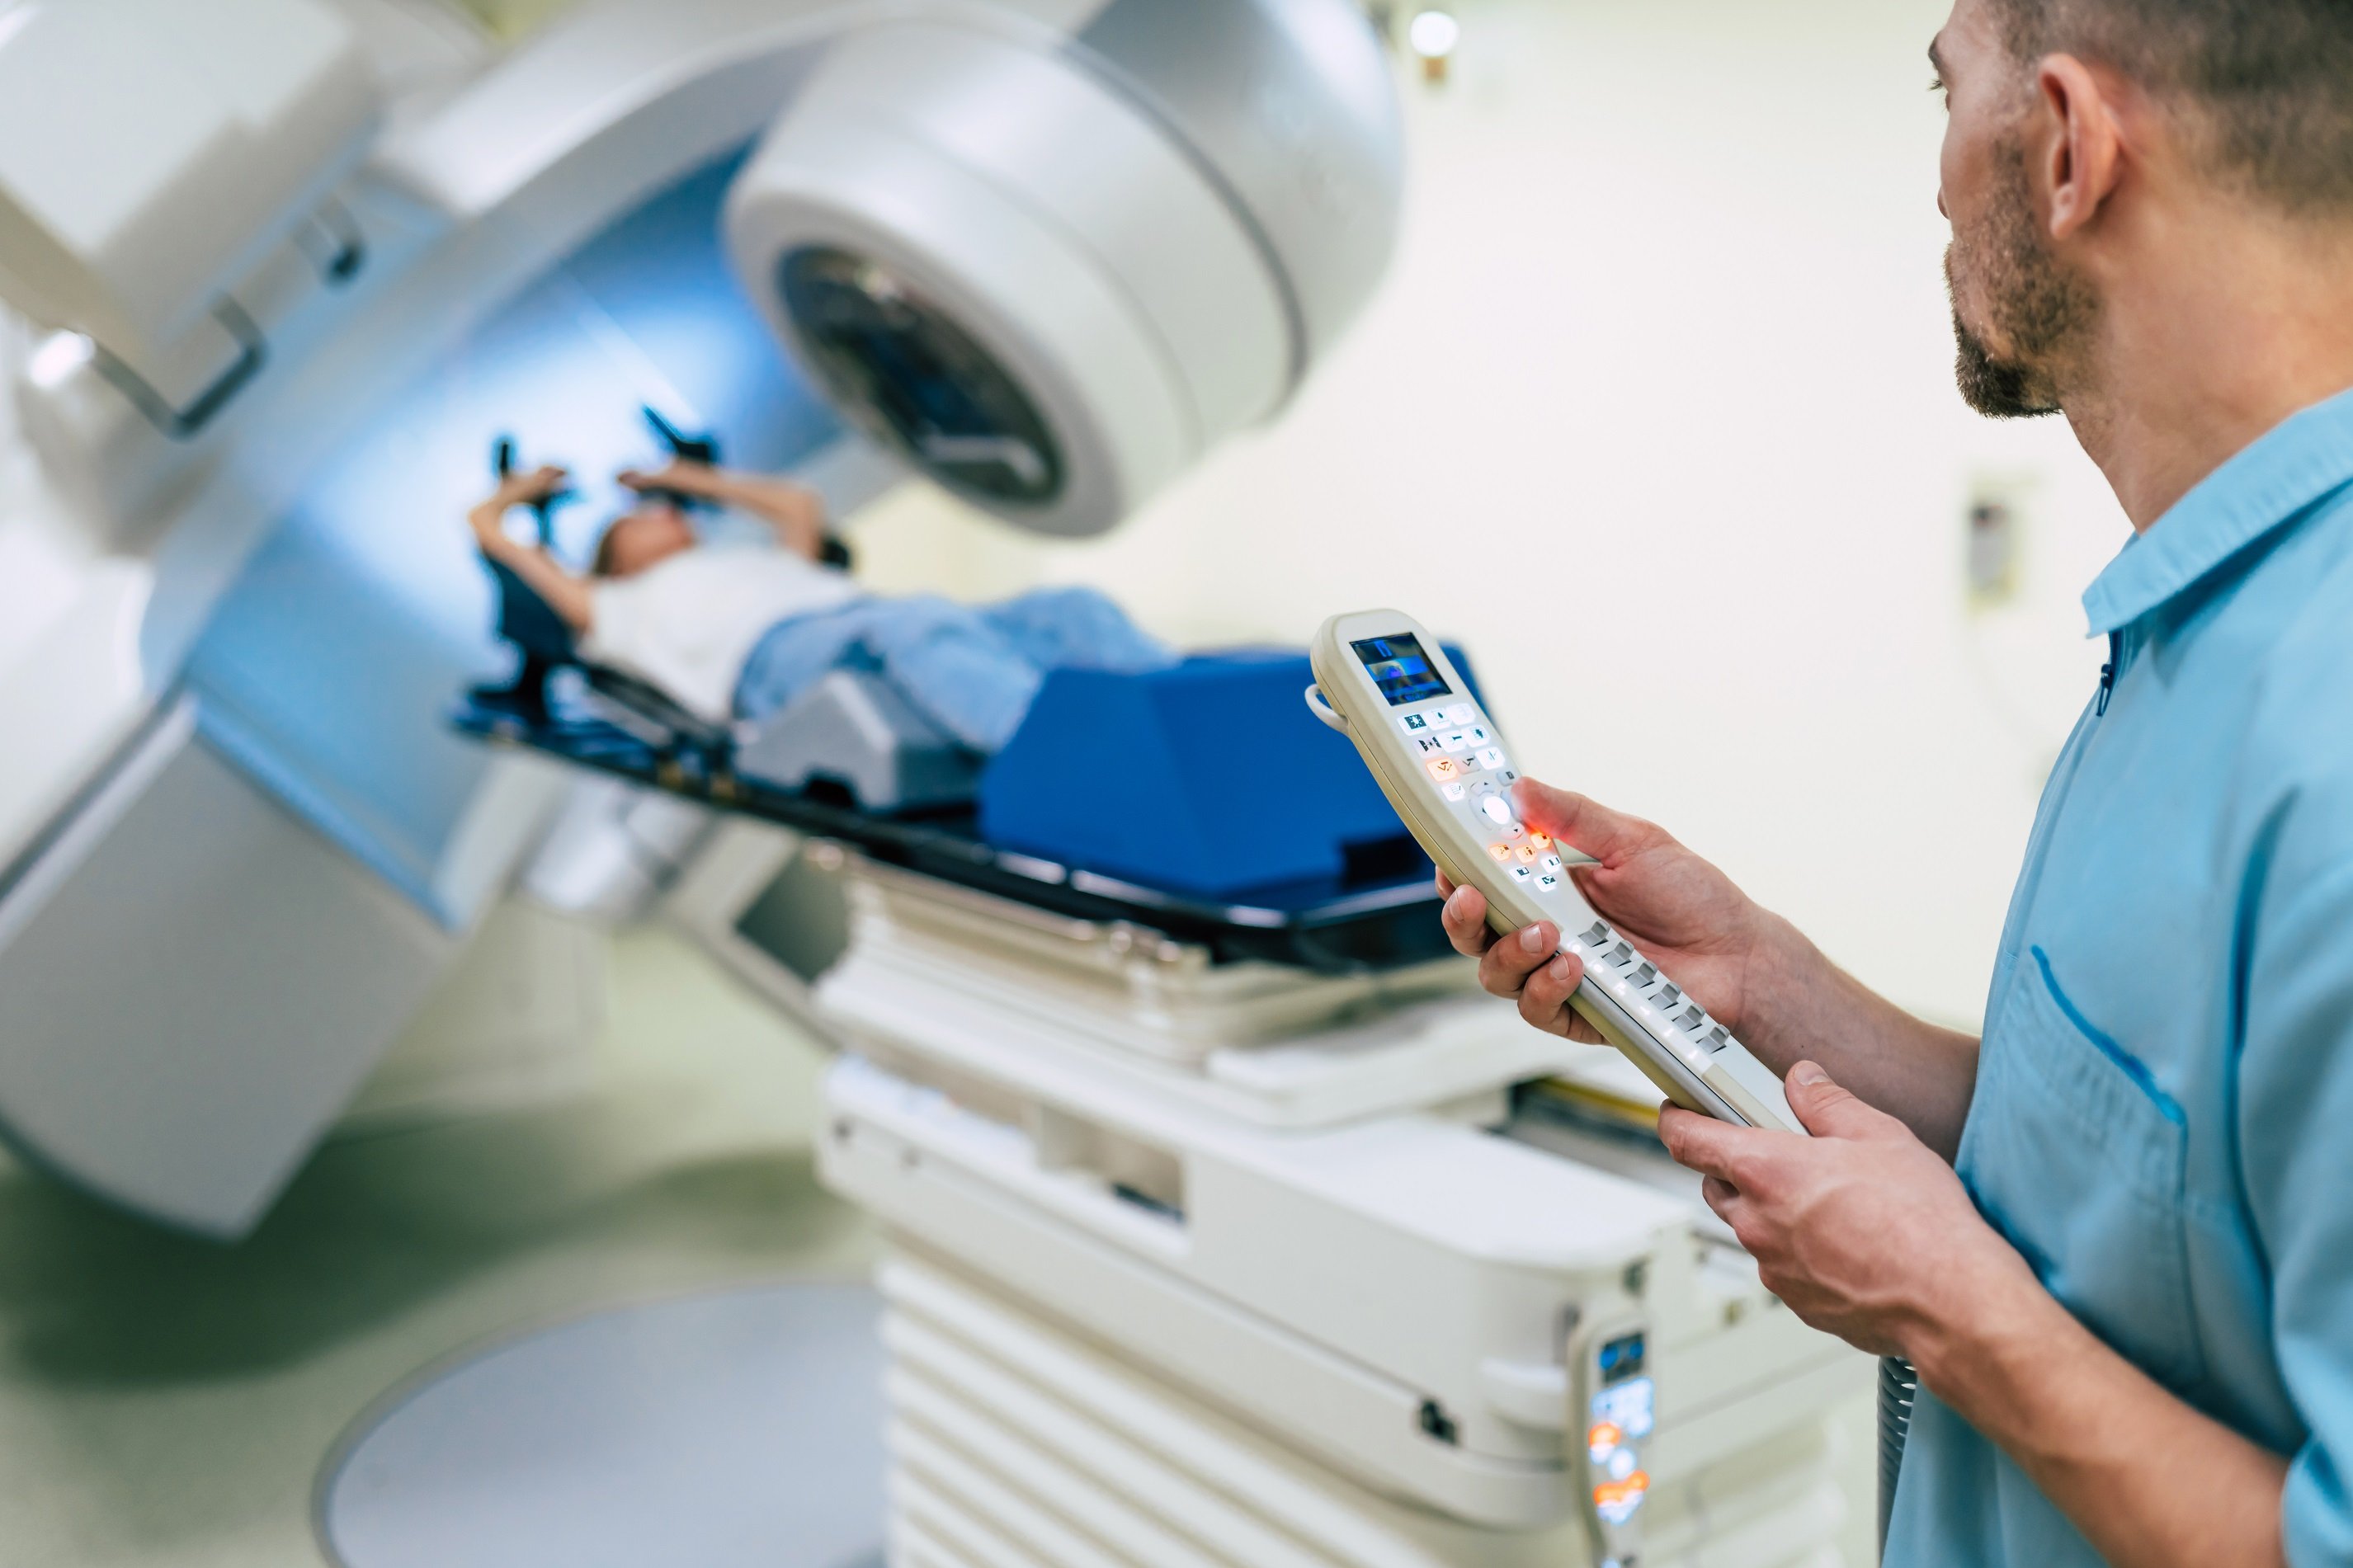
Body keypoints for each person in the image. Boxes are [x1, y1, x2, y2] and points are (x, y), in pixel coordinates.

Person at [1442, 2, 2353, 1565]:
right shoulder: (2197, 630)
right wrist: (1770, 987)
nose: (1935, 184)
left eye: (1945, 92)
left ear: (2067, 149)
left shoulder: (2322, 737)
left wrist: (1946, 1304)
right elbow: (2148, 1190)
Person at [468, 459, 1171, 751]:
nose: (663, 514)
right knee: (916, 622)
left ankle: (1192, 720)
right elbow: (486, 528)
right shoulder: (615, 607)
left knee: (1071, 609)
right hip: (774, 659)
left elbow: (795, 504)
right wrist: (518, 493)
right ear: (613, 556)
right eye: (641, 518)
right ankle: (1069, 762)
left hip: (871, 620)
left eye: (668, 508)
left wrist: (683, 477)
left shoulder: (751, 559)